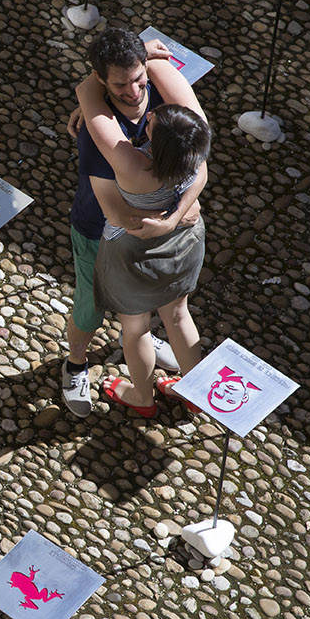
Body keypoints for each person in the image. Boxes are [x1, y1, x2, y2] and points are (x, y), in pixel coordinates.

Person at [75, 46, 211, 417]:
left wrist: (135, 53)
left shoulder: (132, 165)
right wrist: (172, 218)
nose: (148, 112)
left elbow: (86, 94)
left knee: (136, 329)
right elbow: (202, 173)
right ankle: (195, 393)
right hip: (186, 240)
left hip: (133, 255)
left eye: (153, 121)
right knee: (179, 316)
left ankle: (142, 397)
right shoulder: (196, 142)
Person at [61, 31, 183, 418]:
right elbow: (112, 211)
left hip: (149, 230)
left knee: (143, 307)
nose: (133, 92)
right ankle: (75, 364)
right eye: (119, 85)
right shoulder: (98, 128)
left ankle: (139, 342)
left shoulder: (162, 91)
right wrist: (170, 220)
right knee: (89, 308)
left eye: (138, 79)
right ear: (101, 80)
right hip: (97, 231)